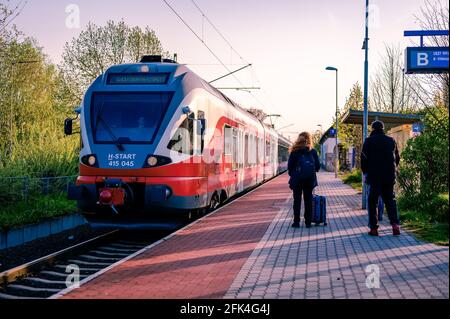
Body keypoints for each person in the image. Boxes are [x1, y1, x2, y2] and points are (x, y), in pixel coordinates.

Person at [361, 120, 401, 236]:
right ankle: (395, 226)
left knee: (372, 201)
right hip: (389, 177)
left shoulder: (368, 141)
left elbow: (363, 159)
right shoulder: (391, 140)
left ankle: (374, 228)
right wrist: (392, 169)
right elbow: (397, 157)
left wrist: (365, 173)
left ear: (372, 129)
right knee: (390, 201)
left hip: (374, 177)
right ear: (383, 129)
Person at [288, 132, 321, 228]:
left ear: (299, 139)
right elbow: (318, 167)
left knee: (297, 200)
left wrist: (294, 175)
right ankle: (308, 222)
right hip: (309, 180)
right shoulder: (313, 151)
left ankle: (296, 222)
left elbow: (290, 167)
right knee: (308, 200)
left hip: (297, 180)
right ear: (309, 139)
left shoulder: (294, 151)